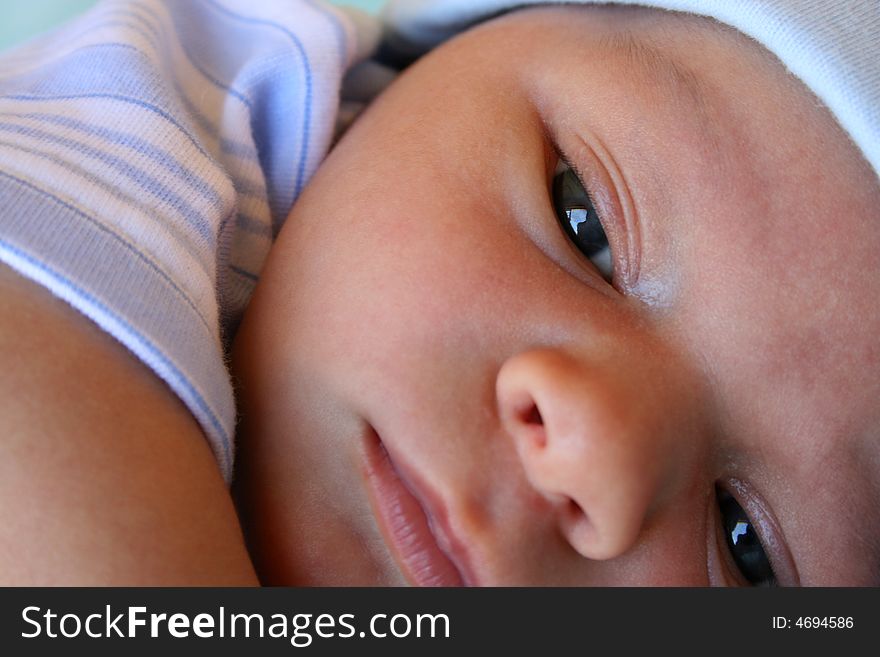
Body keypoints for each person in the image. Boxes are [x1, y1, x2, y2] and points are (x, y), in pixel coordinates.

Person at [0, 0, 877, 586]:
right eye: (585, 223)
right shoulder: (178, 116)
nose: (589, 454)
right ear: (445, 47)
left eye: (746, 549)